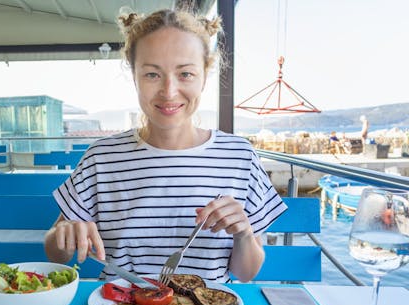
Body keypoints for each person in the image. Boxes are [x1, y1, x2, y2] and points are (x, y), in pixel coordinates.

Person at [44, 9, 287, 283]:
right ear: (134, 76)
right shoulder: (101, 157)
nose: (169, 91)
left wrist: (243, 233)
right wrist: (64, 234)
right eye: (152, 75)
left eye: (185, 74)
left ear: (204, 77)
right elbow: (55, 253)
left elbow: (246, 273)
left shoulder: (240, 157)